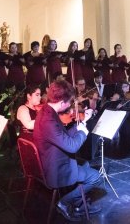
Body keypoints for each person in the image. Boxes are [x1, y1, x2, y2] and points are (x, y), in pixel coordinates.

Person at [33, 80, 101, 221]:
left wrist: (82, 123)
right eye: (69, 102)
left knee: (86, 164)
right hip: (56, 168)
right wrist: (83, 132)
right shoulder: (48, 120)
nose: (70, 105)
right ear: (62, 102)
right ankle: (64, 202)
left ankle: (79, 204)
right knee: (95, 177)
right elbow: (72, 146)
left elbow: (61, 136)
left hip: (53, 159)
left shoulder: (46, 111)